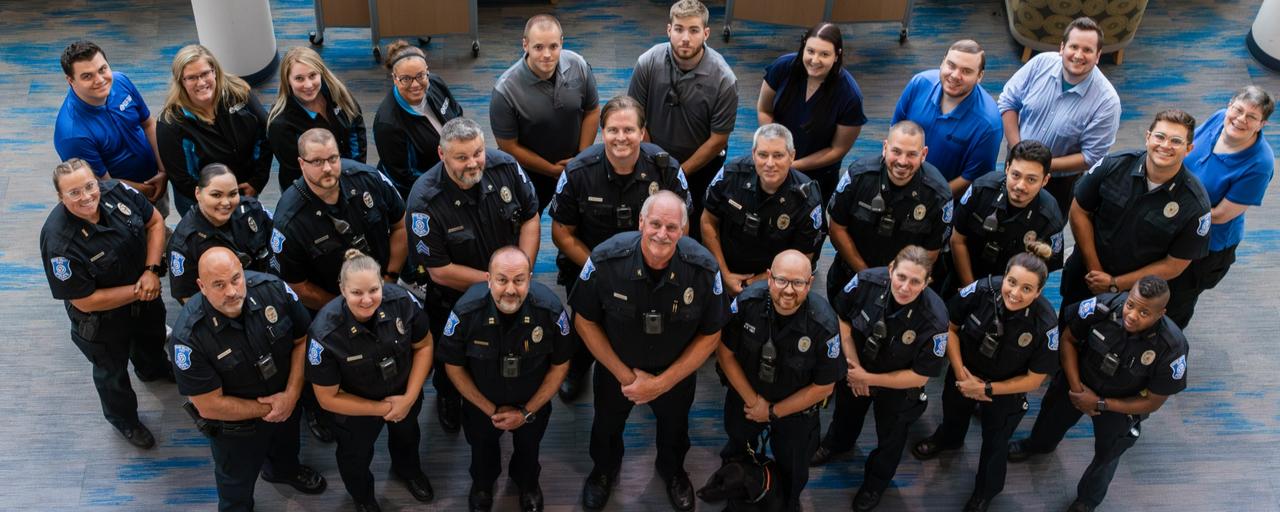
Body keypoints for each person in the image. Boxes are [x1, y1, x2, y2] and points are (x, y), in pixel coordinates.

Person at [571, 191, 729, 511]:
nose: (662, 233)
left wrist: (662, 383)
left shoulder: (703, 269)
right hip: (617, 369)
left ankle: (672, 472)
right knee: (606, 425)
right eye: (655, 223)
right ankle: (603, 471)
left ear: (683, 230)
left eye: (672, 227)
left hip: (675, 373)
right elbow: (584, 321)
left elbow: (711, 335)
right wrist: (625, 376)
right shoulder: (605, 260)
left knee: (675, 428)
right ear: (641, 222)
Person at [548, 95, 690, 401]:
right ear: (602, 132)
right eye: (613, 130)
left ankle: (655, 372)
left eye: (629, 130)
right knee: (586, 320)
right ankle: (579, 366)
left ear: (642, 132)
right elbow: (561, 233)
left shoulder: (665, 169)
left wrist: (658, 257)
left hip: (655, 262)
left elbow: (683, 223)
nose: (621, 137)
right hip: (591, 263)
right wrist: (601, 268)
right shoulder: (578, 172)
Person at [404, 117, 540, 433]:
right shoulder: (424, 201)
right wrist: (499, 282)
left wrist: (523, 272)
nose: (473, 163)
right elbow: (439, 270)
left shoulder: (505, 166)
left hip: (510, 288)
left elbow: (531, 217)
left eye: (477, 153)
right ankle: (449, 396)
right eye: (461, 157)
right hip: (454, 298)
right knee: (449, 352)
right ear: (442, 155)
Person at [1007, 276, 1188, 512]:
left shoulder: (1172, 348)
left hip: (1120, 403)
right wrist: (1076, 388)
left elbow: (1152, 402)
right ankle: (1038, 445)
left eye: (1144, 312)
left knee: (1109, 453)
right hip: (1079, 382)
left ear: (1161, 313)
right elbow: (1068, 340)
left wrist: (1101, 404)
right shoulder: (1103, 306)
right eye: (1131, 304)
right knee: (1051, 418)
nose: (1131, 315)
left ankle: (1087, 500)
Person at [168, 247, 327, 511]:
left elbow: (302, 341)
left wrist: (290, 396)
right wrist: (273, 407)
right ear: (201, 286)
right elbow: (209, 405)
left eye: (235, 279)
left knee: (286, 449)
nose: (231, 291)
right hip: (238, 428)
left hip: (286, 399)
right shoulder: (189, 337)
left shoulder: (273, 290)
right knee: (236, 484)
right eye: (218, 285)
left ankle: (283, 471)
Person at [909, 251, 1059, 512]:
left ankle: (985, 491)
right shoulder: (980, 290)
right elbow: (950, 327)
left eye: (1027, 288)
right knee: (953, 415)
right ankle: (949, 440)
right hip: (964, 374)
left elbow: (1035, 380)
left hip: (1004, 390)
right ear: (1004, 276)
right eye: (1011, 282)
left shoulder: (1045, 324)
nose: (1015, 293)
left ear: (1039, 292)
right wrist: (959, 371)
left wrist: (987, 389)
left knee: (995, 443)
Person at [39, 158, 171, 449]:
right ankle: (124, 420)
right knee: (112, 375)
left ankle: (153, 369)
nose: (86, 196)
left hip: (146, 295)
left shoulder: (117, 191)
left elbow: (155, 222)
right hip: (103, 321)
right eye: (74, 193)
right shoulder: (58, 242)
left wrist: (150, 271)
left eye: (89, 186)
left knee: (152, 338)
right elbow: (85, 301)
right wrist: (141, 289)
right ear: (61, 197)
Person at [810, 246, 949, 512]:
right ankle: (836, 444)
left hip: (898, 386)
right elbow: (842, 319)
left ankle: (875, 483)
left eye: (915, 281)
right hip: (857, 365)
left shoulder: (935, 319)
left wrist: (869, 378)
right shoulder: (865, 282)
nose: (905, 287)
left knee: (891, 439)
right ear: (890, 270)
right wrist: (856, 369)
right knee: (845, 413)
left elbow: (919, 377)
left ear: (927, 282)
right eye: (901, 277)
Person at [439, 247, 573, 512]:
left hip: (532, 402)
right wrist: (490, 411)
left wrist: (525, 412)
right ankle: (482, 484)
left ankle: (527, 483)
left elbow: (560, 366)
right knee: (481, 448)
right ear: (488, 279)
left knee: (529, 446)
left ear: (530, 278)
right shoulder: (466, 312)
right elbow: (453, 367)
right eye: (502, 280)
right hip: (481, 404)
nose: (510, 289)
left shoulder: (550, 311)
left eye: (519, 280)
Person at [307, 249, 435, 512]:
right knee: (355, 458)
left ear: (382, 284)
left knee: (408, 438)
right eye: (356, 293)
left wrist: (409, 398)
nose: (367, 300)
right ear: (342, 289)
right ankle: (363, 498)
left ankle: (407, 471)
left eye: (374, 290)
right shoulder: (325, 334)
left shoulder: (402, 301)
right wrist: (384, 409)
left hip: (403, 393)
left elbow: (424, 345)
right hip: (356, 410)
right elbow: (327, 398)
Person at [716, 250, 841, 511]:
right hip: (747, 399)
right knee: (736, 453)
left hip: (795, 412)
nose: (788, 290)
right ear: (770, 278)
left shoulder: (824, 324)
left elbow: (824, 386)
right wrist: (755, 403)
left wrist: (772, 412)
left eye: (798, 283)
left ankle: (788, 503)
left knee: (794, 469)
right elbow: (726, 355)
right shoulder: (747, 303)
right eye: (782, 280)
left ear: (809, 283)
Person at [1062, 110, 1211, 327]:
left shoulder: (1195, 204)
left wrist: (1115, 284)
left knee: (1114, 347)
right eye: (1160, 136)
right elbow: (1079, 210)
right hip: (1087, 273)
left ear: (1189, 149)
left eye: (1176, 141)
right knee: (1069, 327)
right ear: (1148, 136)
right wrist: (1097, 272)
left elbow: (1175, 264)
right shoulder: (1112, 166)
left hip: (1137, 296)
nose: (1165, 145)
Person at [628, 0, 738, 240]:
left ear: (706, 33)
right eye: (679, 29)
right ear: (669, 30)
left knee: (693, 223)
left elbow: (718, 139)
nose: (685, 38)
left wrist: (678, 172)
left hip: (701, 165)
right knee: (645, 217)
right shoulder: (647, 62)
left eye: (694, 30)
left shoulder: (724, 79)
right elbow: (635, 118)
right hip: (651, 158)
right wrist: (655, 161)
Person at [273, 128, 408, 313]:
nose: (327, 168)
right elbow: (297, 286)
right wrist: (349, 306)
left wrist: (389, 278)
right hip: (333, 308)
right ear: (302, 164)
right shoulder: (289, 221)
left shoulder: (368, 179)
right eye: (317, 162)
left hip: (384, 289)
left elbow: (401, 225)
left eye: (332, 158)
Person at [999, 17, 1121, 217]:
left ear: (1098, 56)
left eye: (1088, 50)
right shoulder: (1040, 63)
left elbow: (1091, 156)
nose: (1078, 55)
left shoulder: (1107, 103)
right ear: (1062, 47)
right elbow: (1008, 102)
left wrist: (1040, 166)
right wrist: (1017, 150)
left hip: (1058, 182)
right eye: (1074, 46)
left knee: (1042, 236)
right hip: (1015, 161)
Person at [825, 121, 951, 301]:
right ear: (885, 148)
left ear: (924, 155)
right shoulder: (858, 176)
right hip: (851, 276)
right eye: (896, 151)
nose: (902, 161)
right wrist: (868, 276)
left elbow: (931, 251)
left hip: (904, 289)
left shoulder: (938, 195)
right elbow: (837, 228)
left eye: (912, 154)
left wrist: (897, 281)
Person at [1182, 86, 1275, 325]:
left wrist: (1172, 211)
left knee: (1177, 298)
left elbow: (1221, 215)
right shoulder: (1218, 117)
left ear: (1261, 124)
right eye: (1238, 110)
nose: (1241, 119)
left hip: (1208, 243)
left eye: (1252, 117)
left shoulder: (1260, 163)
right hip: (1179, 218)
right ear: (1230, 105)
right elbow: (1187, 150)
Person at [491, 14, 601, 213]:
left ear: (561, 43)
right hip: (531, 172)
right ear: (525, 45)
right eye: (538, 47)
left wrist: (581, 157)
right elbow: (508, 146)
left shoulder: (578, 65)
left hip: (575, 164)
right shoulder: (505, 90)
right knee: (526, 218)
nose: (547, 55)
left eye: (553, 46)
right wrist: (551, 170)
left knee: (580, 216)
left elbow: (592, 110)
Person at [702, 124, 826, 296]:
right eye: (762, 154)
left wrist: (749, 284)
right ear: (753, 154)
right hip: (724, 271)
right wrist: (724, 275)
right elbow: (708, 221)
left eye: (778, 155)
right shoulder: (731, 175)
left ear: (792, 156)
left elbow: (804, 256)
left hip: (776, 284)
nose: (770, 163)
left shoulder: (807, 199)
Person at [54, 40, 169, 217]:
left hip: (156, 179)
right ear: (70, 81)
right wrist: (148, 190)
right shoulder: (72, 134)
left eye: (103, 69)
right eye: (87, 76)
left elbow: (148, 123)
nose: (100, 80)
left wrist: (163, 171)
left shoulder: (121, 81)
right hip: (120, 200)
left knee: (162, 221)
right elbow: (102, 183)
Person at [758, 22, 866, 204]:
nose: (815, 60)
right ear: (803, 47)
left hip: (816, 175)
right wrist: (774, 151)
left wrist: (791, 165)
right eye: (810, 51)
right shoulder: (783, 67)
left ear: (837, 55)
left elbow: (837, 150)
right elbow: (764, 109)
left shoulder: (850, 95)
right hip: (773, 162)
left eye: (824, 54)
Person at [157, 44, 272, 216]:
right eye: (192, 77)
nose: (201, 82)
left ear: (215, 71)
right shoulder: (170, 124)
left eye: (205, 73)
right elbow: (183, 180)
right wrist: (225, 200)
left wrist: (257, 181)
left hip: (246, 189)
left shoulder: (239, 93)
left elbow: (265, 135)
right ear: (181, 81)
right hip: (201, 203)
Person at [892, 39, 1003, 197]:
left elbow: (971, 178)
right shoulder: (919, 83)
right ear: (942, 63)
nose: (955, 75)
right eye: (951, 65)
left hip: (938, 200)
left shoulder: (989, 125)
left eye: (966, 71)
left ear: (980, 76)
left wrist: (929, 199)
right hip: (897, 179)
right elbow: (894, 130)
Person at [951, 140, 1064, 286]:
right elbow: (958, 240)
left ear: (1045, 180)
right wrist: (971, 290)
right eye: (1016, 175)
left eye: (1031, 179)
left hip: (1013, 290)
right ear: (1007, 169)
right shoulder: (981, 190)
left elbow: (1041, 272)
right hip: (965, 277)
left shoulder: (1050, 218)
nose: (1020, 186)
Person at [167, 164, 276, 302]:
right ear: (198, 193)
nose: (226, 202)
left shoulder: (252, 210)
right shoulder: (184, 244)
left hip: (264, 294)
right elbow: (189, 300)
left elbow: (281, 249)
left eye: (233, 194)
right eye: (216, 195)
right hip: (224, 309)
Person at [267, 46, 367, 191]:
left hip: (349, 175)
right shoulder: (280, 124)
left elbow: (355, 129)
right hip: (311, 189)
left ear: (321, 73)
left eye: (312, 75)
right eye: (299, 78)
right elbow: (298, 171)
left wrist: (355, 170)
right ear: (288, 81)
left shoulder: (337, 93)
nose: (308, 85)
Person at [373, 40, 463, 197]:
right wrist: (449, 180)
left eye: (420, 76)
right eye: (406, 79)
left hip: (454, 166)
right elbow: (404, 177)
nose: (415, 85)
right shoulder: (387, 124)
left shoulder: (435, 83)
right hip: (424, 190)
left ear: (427, 71)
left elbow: (457, 114)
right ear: (394, 78)